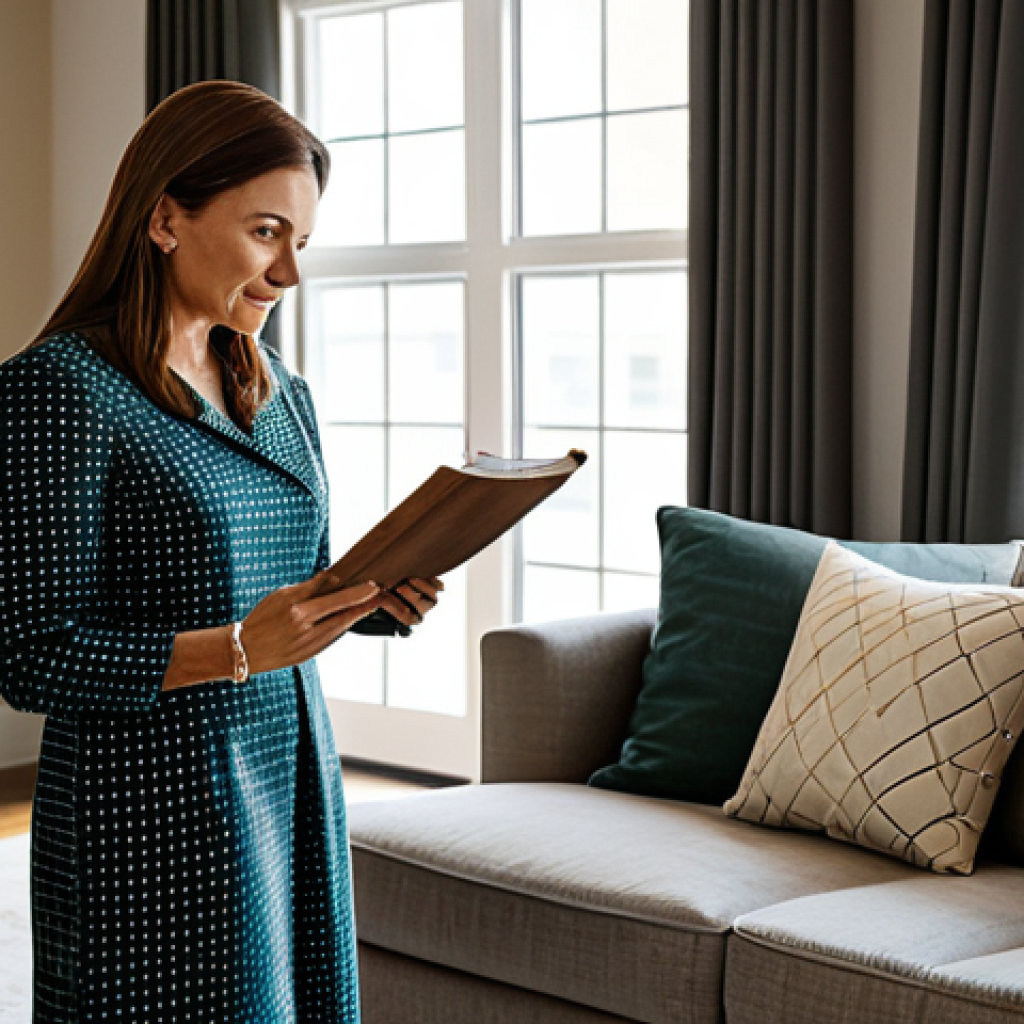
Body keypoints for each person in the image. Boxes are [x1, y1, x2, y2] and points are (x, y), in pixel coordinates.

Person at [0, 79, 442, 1022]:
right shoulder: (60, 390)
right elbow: (29, 655)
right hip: (149, 813)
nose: (289, 274)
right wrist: (237, 648)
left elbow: (291, 585)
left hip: (291, 771)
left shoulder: (281, 390)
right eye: (266, 232)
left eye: (301, 241)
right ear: (165, 218)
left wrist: (371, 600)